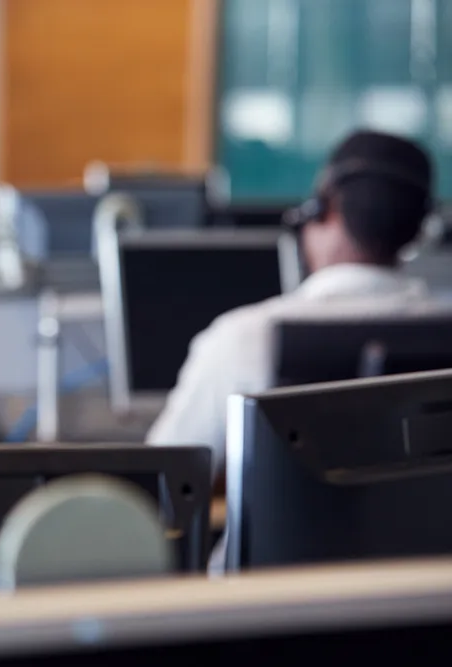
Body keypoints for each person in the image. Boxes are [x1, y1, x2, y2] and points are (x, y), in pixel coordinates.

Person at [146, 130, 440, 476]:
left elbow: (162, 484)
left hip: (294, 532)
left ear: (325, 209)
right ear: (421, 229)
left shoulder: (244, 338)